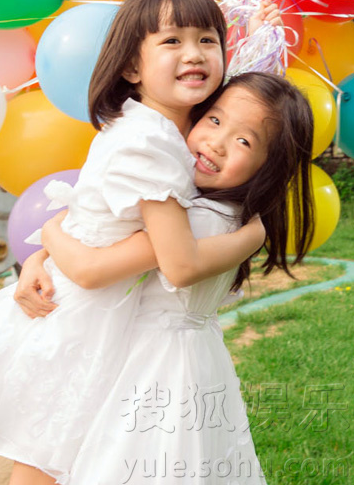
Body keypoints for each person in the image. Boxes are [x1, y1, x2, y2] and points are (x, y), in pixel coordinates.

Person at [0, 0, 290, 485]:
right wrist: (252, 237)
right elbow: (162, 262)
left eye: (208, 40)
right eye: (172, 41)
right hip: (79, 319)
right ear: (131, 67)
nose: (194, 53)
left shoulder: (161, 128)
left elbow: (250, 115)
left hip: (89, 307)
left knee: (56, 456)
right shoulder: (150, 143)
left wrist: (42, 251)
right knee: (47, 456)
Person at [18, 71, 314, 484]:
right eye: (214, 120)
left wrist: (49, 231)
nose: (216, 142)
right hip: (177, 357)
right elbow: (102, 234)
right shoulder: (210, 209)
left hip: (148, 365)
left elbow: (91, 268)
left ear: (269, 166)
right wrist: (41, 259)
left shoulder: (198, 221)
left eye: (244, 141)